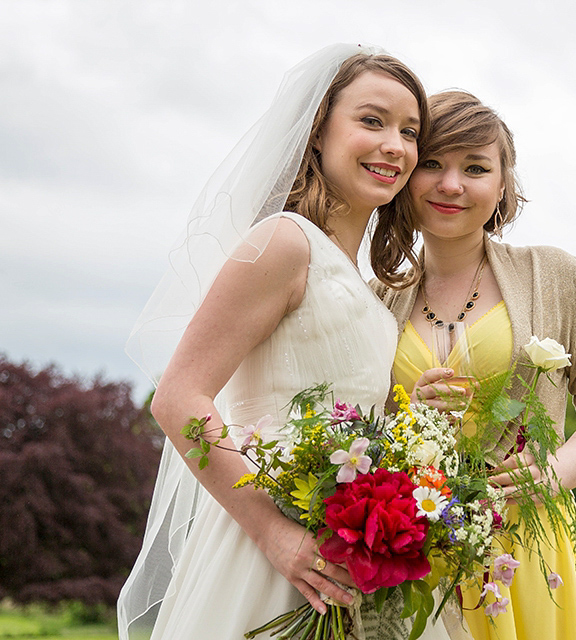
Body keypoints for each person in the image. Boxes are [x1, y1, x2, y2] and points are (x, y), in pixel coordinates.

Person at [117, 44, 433, 640]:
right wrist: (274, 534)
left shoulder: (358, 280)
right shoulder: (284, 243)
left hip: (350, 554)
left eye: (409, 132)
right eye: (372, 121)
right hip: (267, 551)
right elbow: (180, 398)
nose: (396, 144)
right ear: (317, 132)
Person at [372, 90, 576, 640]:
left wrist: (552, 474)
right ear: (405, 178)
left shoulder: (557, 277)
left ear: (502, 185)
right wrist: (406, 416)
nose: (452, 185)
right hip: (419, 557)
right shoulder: (375, 300)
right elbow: (357, 432)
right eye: (432, 164)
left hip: (535, 554)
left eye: (475, 168)